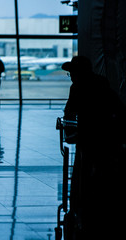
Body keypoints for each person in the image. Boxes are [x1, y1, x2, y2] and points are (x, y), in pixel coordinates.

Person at [62, 56, 126, 239]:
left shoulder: (77, 88)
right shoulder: (102, 84)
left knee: (83, 166)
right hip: (106, 135)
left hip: (88, 135)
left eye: (71, 73)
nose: (71, 76)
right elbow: (118, 108)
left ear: (77, 72)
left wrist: (69, 130)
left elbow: (70, 110)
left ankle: (83, 201)